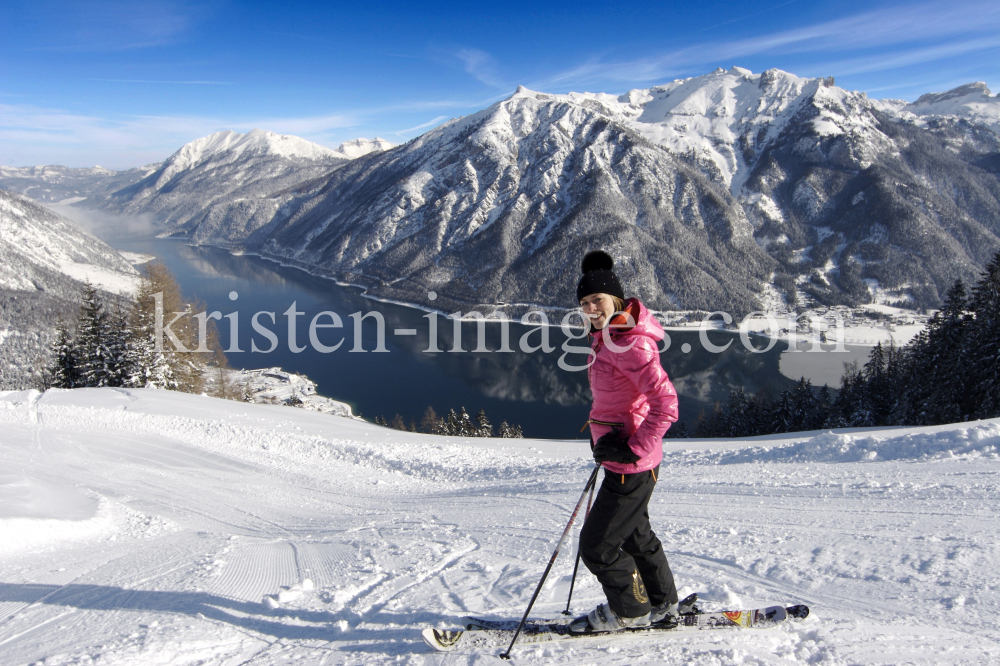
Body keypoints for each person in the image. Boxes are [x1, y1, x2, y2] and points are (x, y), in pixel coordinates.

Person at [569, 250, 683, 634]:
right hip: (628, 461)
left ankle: (630, 611)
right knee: (636, 535)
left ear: (615, 299)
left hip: (630, 465)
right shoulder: (608, 337)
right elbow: (616, 399)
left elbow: (666, 404)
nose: (590, 308)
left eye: (596, 300)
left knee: (597, 547)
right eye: (584, 303)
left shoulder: (628, 343)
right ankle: (663, 604)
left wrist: (631, 447)